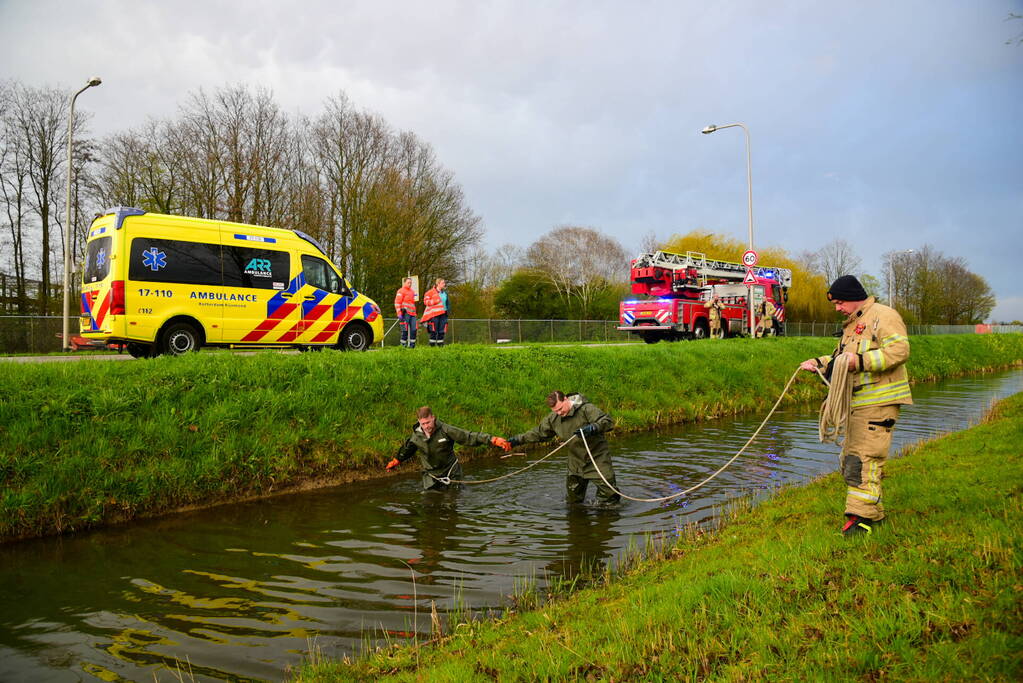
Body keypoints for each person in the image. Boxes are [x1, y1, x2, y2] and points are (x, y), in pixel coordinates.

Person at [799, 275, 912, 536]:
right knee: (852, 458)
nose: (837, 308)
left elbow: (899, 351)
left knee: (863, 460)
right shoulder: (854, 323)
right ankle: (873, 512)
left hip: (878, 402)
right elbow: (842, 358)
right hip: (859, 403)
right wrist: (818, 362)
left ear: (852, 298)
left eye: (840, 303)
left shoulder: (883, 316)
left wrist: (859, 363)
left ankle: (861, 521)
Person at [507, 391, 620, 506]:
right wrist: (517, 440)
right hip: (575, 461)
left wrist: (593, 428)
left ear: (566, 399)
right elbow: (538, 433)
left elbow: (608, 421)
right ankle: (578, 521)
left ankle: (606, 519)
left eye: (561, 408)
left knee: (609, 494)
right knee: (573, 499)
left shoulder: (586, 409)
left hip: (597, 457)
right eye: (556, 411)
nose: (560, 413)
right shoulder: (554, 418)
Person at [386, 406, 511, 490]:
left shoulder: (446, 430)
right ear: (419, 422)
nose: (426, 426)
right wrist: (397, 461)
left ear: (433, 418)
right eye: (423, 424)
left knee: (451, 507)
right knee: (429, 508)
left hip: (451, 474)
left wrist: (492, 439)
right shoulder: (416, 436)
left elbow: (468, 436)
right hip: (431, 477)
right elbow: (407, 449)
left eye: (428, 422)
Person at [421, 278, 449, 347]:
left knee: (442, 330)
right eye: (442, 283)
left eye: (444, 283)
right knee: (433, 330)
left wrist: (448, 310)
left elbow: (447, 303)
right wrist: (434, 301)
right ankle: (432, 346)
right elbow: (425, 301)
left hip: (443, 314)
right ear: (438, 284)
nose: (444, 284)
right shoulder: (430, 292)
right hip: (434, 314)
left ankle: (440, 345)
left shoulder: (444, 293)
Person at [394, 277, 417, 348]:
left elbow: (412, 304)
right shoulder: (400, 291)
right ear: (404, 283)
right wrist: (399, 313)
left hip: (413, 314)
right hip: (405, 314)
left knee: (414, 329)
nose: (410, 284)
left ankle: (412, 346)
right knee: (405, 330)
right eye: (408, 283)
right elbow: (397, 303)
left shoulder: (412, 291)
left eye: (411, 283)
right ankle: (403, 346)